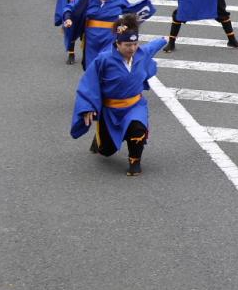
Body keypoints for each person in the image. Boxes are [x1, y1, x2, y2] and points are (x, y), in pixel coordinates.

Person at [70, 14, 167, 176]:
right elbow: (89, 83)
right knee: (107, 150)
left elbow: (152, 47)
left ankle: (135, 162)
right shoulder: (104, 59)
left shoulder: (141, 54)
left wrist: (165, 39)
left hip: (135, 105)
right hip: (111, 110)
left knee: (137, 128)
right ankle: (99, 139)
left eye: (135, 44)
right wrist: (88, 107)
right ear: (118, 43)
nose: (132, 49)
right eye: (128, 45)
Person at [62, 0, 155, 70]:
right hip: (91, 39)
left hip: (110, 37)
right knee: (91, 68)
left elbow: (130, 11)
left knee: (107, 66)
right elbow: (70, 8)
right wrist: (68, 18)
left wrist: (129, 23)